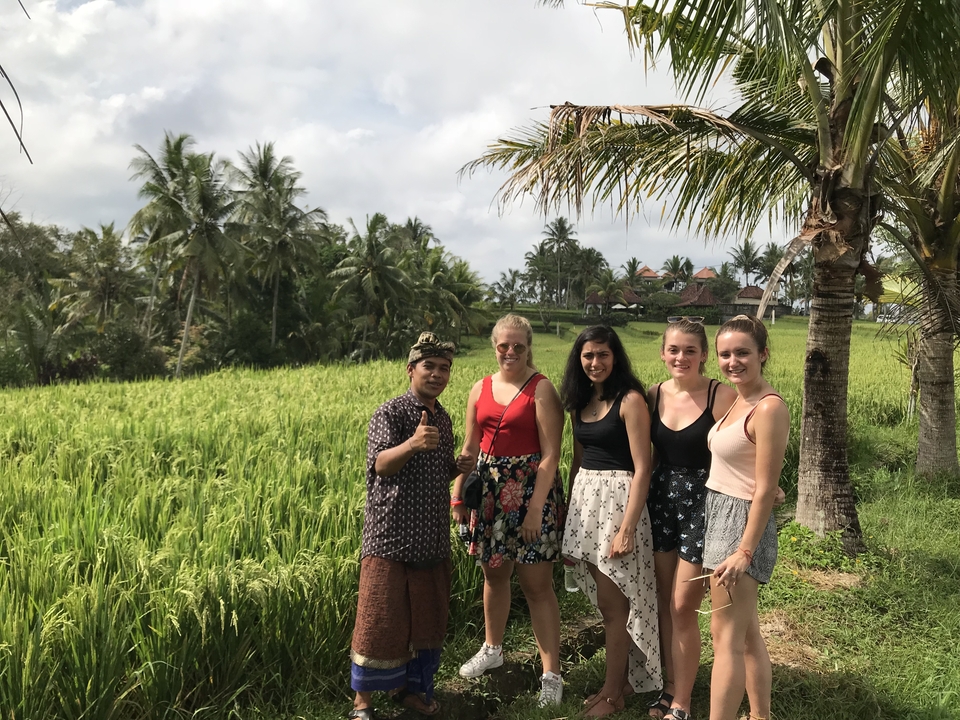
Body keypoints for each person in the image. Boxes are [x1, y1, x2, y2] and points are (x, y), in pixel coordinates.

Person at [348, 332, 473, 720]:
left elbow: (435, 472)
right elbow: (381, 464)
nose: (437, 374)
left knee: (427, 618)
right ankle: (363, 703)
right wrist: (412, 444)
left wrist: (458, 467)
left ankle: (414, 691)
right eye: (429, 367)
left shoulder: (443, 417)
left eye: (444, 368)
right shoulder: (392, 413)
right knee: (379, 617)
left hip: (431, 536)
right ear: (411, 370)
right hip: (391, 535)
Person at [451, 314, 566, 707]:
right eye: (504, 345)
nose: (511, 352)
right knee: (494, 575)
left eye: (518, 345)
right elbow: (469, 452)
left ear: (528, 346)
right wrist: (457, 497)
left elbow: (552, 455)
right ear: (494, 346)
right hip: (488, 496)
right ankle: (492, 648)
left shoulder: (542, 389)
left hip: (532, 492)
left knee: (537, 587)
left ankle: (552, 674)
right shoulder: (479, 388)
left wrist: (535, 510)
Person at [560, 325, 662, 717]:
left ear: (615, 356)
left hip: (619, 505)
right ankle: (623, 681)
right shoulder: (579, 401)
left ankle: (612, 693)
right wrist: (570, 513)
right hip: (587, 505)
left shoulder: (631, 399)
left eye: (602, 354)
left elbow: (643, 468)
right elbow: (578, 461)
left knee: (615, 605)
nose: (595, 362)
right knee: (607, 605)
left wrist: (627, 527)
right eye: (588, 355)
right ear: (579, 360)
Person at [645, 318, 737, 720]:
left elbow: (748, 440)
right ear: (663, 353)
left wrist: (767, 485)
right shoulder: (653, 395)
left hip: (703, 507)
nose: (681, 357)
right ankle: (671, 687)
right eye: (673, 350)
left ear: (703, 356)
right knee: (666, 601)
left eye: (690, 351)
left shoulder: (721, 396)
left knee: (684, 604)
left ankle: (682, 703)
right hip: (661, 503)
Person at [703, 315, 790, 720]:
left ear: (763, 355)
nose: (732, 361)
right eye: (725, 354)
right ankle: (760, 715)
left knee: (726, 638)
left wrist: (744, 552)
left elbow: (765, 489)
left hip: (740, 526)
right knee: (746, 632)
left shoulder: (769, 407)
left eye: (742, 353)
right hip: (721, 514)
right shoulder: (739, 398)